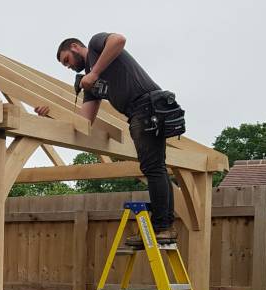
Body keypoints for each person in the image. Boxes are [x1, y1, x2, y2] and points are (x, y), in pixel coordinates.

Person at [37, 33, 176, 246]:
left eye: (67, 60)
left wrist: (94, 73)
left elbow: (119, 40)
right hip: (144, 112)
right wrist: (51, 113)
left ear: (75, 47)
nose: (69, 66)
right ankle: (165, 226)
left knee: (153, 168)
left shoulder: (95, 46)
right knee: (156, 167)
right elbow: (84, 122)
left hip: (148, 107)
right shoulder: (90, 84)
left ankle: (161, 228)